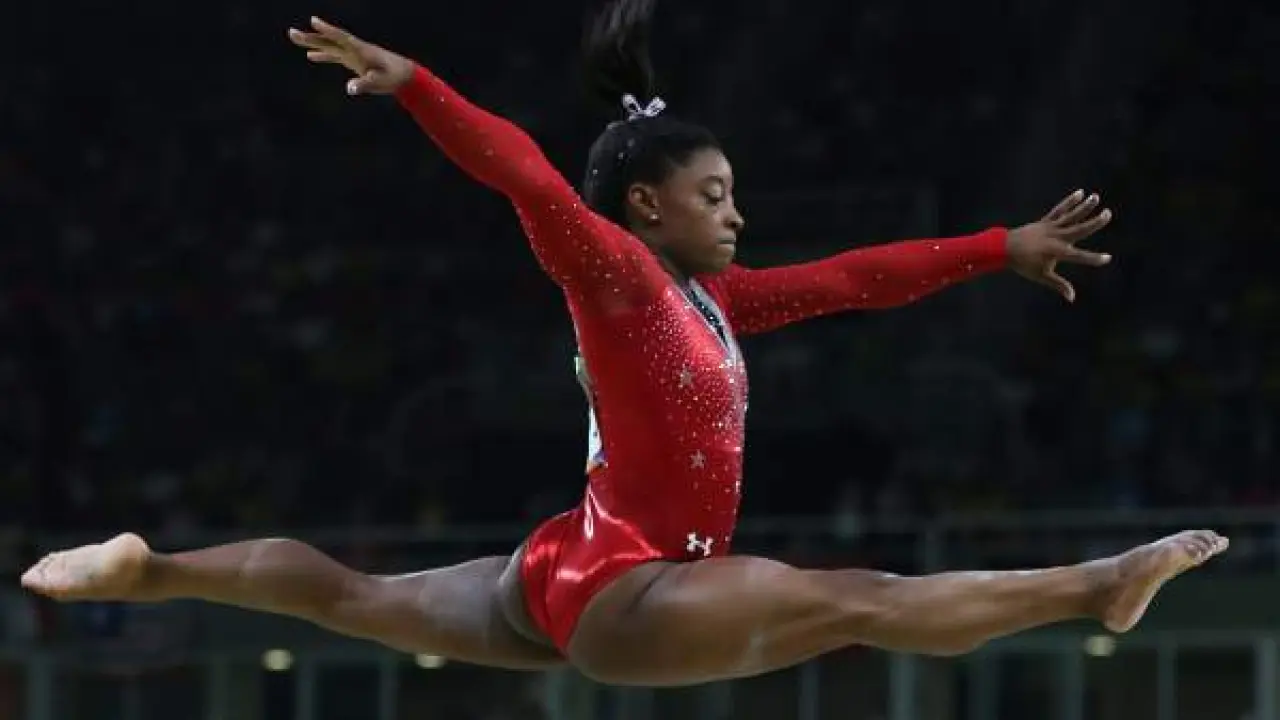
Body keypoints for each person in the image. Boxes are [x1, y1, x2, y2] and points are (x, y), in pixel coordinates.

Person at [22, 2, 1227, 688]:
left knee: (353, 595)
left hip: (563, 567)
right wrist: (419, 84)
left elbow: (856, 277)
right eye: (714, 195)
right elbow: (529, 178)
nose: (735, 215)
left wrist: (996, 245)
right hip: (629, 588)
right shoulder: (619, 277)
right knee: (859, 598)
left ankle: (149, 568)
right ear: (647, 206)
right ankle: (1094, 586)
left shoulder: (714, 299)